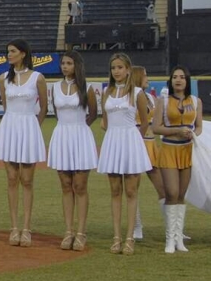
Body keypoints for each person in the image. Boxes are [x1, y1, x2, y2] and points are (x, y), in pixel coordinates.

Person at [0, 39, 47, 247]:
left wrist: (33, 129)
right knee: (12, 179)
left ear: (23, 53)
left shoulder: (37, 78)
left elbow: (43, 108)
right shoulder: (4, 78)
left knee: (27, 180)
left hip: (28, 128)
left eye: (12, 51)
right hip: (10, 128)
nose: (9, 55)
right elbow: (6, 106)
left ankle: (27, 227)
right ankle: (14, 228)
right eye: (8, 52)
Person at [96, 53, 152, 255]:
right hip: (112, 142)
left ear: (128, 69)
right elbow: (105, 121)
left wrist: (134, 141)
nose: (116, 71)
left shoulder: (137, 93)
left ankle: (130, 237)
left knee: (131, 191)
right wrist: (113, 135)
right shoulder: (107, 92)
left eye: (120, 67)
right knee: (115, 192)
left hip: (130, 141)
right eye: (113, 68)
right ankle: (116, 237)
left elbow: (144, 122)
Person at [47, 50, 98, 251]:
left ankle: (81, 232)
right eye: (63, 63)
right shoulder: (55, 87)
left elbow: (93, 113)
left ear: (77, 65)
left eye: (69, 63)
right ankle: (68, 231)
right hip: (62, 136)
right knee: (66, 185)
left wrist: (80, 129)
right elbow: (57, 113)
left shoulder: (88, 88)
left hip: (80, 136)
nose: (65, 66)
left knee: (80, 185)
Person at [152, 65, 203, 254]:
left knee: (181, 195)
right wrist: (176, 130)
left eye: (182, 77)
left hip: (187, 151)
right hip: (169, 150)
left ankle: (178, 238)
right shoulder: (162, 101)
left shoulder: (196, 101)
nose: (178, 80)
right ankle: (169, 238)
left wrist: (193, 134)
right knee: (171, 192)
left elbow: (198, 126)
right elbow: (156, 128)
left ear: (187, 81)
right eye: (175, 77)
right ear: (171, 80)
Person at [131, 65, 165, 240]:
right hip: (136, 144)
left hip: (151, 145)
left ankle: (172, 228)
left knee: (163, 188)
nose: (148, 78)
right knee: (133, 189)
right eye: (145, 75)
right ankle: (137, 227)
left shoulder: (151, 98)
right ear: (138, 77)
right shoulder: (131, 96)